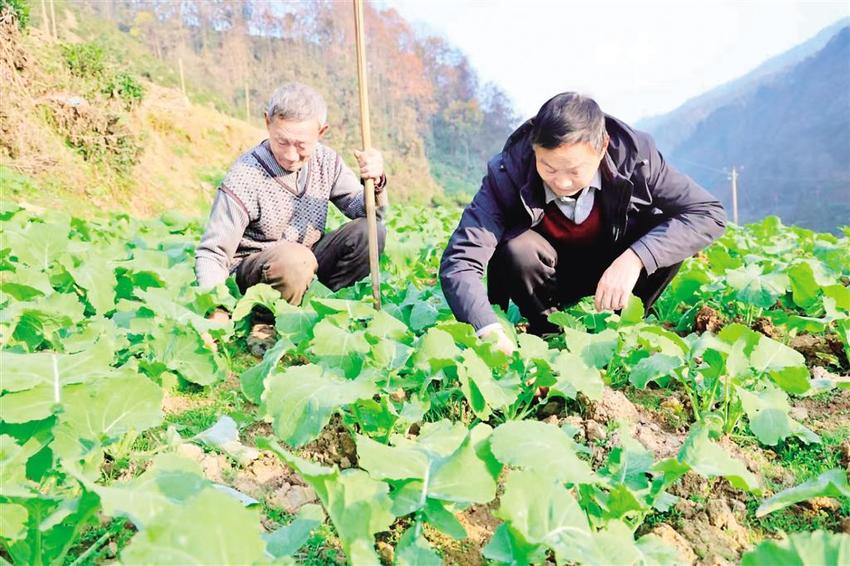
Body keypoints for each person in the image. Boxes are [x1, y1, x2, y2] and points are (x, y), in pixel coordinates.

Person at [440, 92, 726, 354]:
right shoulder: (509, 171)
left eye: (575, 171)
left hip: (615, 273)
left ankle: (624, 328)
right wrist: (487, 328)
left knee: (664, 232)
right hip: (549, 278)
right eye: (548, 167)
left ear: (602, 148)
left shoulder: (637, 160)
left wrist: (635, 258)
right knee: (516, 248)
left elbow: (707, 212)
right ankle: (548, 332)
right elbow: (460, 261)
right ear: (534, 148)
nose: (562, 182)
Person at [195, 82, 387, 340]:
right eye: (282, 141)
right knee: (296, 259)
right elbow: (212, 252)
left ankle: (326, 307)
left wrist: (375, 183)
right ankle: (265, 320)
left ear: (321, 131)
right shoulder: (245, 175)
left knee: (369, 232)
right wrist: (216, 308)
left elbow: (370, 214)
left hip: (306, 264)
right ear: (267, 123)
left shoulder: (327, 162)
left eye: (301, 145)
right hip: (258, 273)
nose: (291, 155)